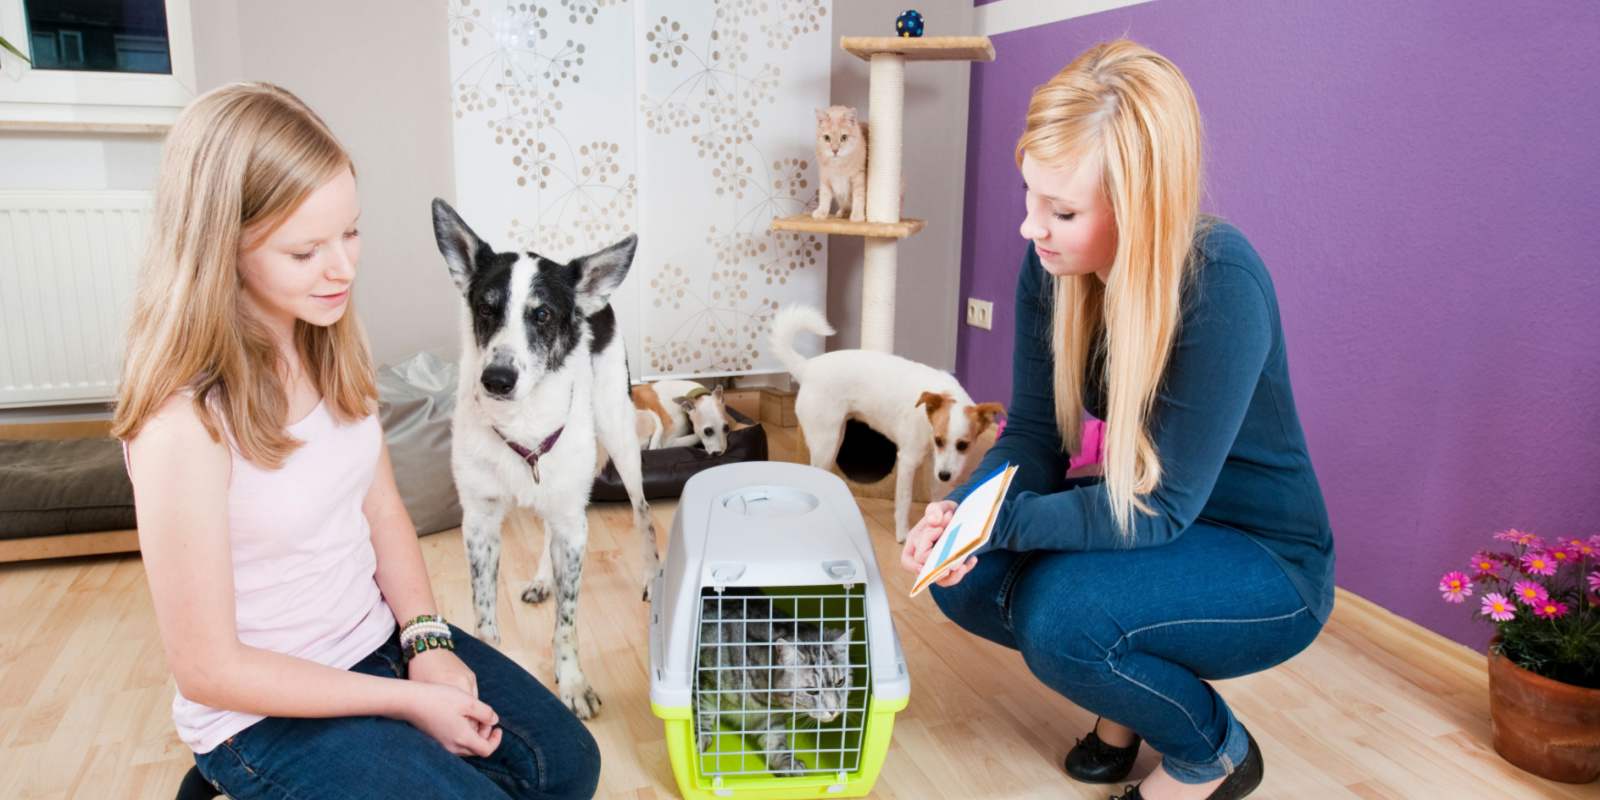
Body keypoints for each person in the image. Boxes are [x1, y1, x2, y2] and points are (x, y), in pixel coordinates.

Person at [113, 82, 601, 799]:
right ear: (222, 248)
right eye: (306, 250)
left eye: (350, 232)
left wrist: (426, 642)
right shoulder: (182, 422)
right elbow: (207, 668)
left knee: (567, 767)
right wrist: (408, 702)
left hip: (372, 643)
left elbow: (384, 516)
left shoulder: (328, 349)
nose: (343, 268)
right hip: (259, 713)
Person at [900, 40, 1335, 800]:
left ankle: (1213, 752)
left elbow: (1163, 510)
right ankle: (1124, 699)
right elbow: (1038, 437)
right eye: (1030, 197)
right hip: (1153, 520)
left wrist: (1001, 524)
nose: (1033, 228)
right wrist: (964, 519)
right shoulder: (1056, 269)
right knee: (963, 584)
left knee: (1062, 618)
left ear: (1141, 207)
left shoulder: (1219, 283)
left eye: (1062, 210)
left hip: (1262, 557)